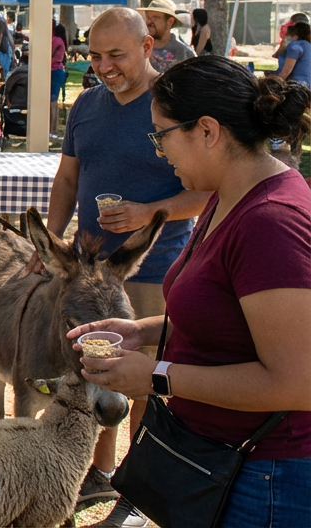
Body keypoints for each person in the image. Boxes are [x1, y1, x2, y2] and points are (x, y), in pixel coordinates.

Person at [70, 57, 311, 528]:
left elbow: (295, 381)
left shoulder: (272, 221)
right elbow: (226, 318)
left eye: (161, 135)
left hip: (264, 479)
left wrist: (157, 378)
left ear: (207, 130)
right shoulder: (227, 194)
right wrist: (141, 332)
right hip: (222, 463)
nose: (160, 151)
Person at [44, 7, 208, 527]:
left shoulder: (175, 105)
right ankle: (99, 469)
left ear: (147, 46)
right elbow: (68, 179)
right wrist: (49, 239)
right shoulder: (86, 105)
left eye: (115, 54)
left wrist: (145, 215)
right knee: (95, 370)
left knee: (146, 380)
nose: (103, 66)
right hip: (90, 271)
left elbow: (206, 190)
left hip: (156, 267)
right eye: (94, 55)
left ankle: (138, 488)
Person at [138, 0, 195, 73]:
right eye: (148, 17)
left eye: (156, 17)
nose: (149, 22)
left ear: (170, 22)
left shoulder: (184, 53)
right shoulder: (138, 48)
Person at [277, 22, 311, 88]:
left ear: (295, 36)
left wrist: (276, 83)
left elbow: (286, 72)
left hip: (298, 86)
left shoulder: (294, 46)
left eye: (287, 35)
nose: (285, 38)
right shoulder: (307, 45)